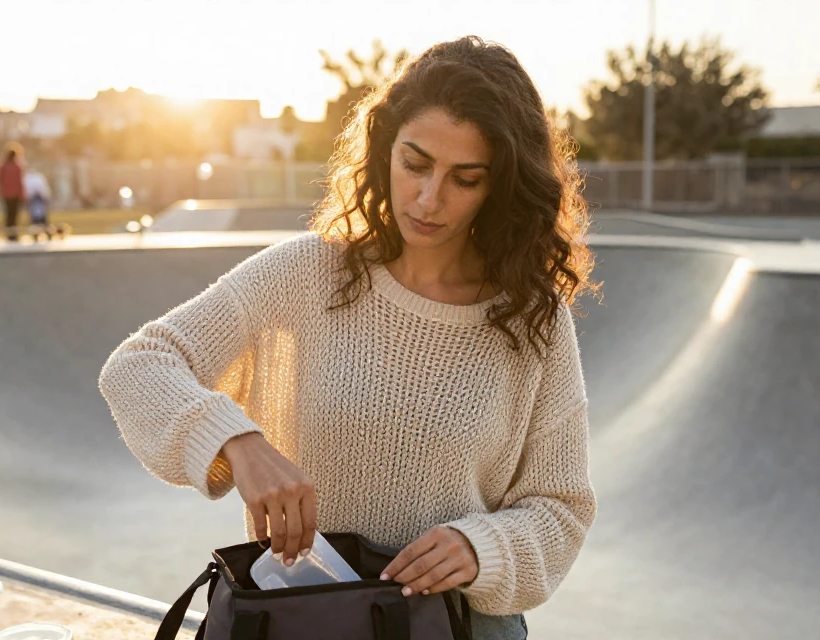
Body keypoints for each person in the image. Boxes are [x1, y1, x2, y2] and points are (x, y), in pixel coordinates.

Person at [99, 36, 596, 640]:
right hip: (312, 618)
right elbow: (138, 365)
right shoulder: (308, 273)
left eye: (464, 179)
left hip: (461, 628)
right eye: (415, 163)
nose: (429, 198)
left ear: (499, 186)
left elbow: (561, 507)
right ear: (386, 148)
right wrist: (238, 442)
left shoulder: (531, 319)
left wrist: (482, 545)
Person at [0, 145, 26, 241]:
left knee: (8, 214)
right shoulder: (17, 167)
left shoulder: (3, 166)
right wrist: (22, 194)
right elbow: (19, 181)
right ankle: (14, 234)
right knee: (15, 215)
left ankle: (9, 233)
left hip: (6, 194)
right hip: (15, 194)